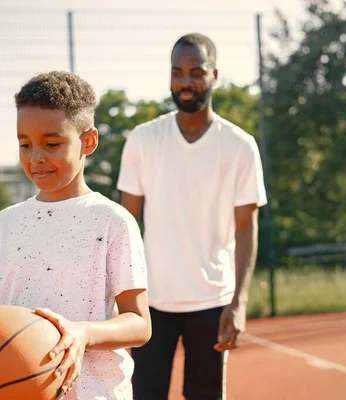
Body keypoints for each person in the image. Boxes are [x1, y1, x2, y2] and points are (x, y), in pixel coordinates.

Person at [0, 71, 151, 400]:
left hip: (95, 393)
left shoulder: (113, 221)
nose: (36, 157)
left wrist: (82, 333)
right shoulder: (1, 226)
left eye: (52, 144)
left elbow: (139, 324)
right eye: (25, 144)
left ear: (88, 141)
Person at [117, 33, 267, 400]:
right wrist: (119, 300)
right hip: (150, 303)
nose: (185, 81)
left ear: (215, 74)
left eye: (196, 72)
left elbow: (246, 227)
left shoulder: (239, 145)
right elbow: (127, 222)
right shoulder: (143, 139)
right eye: (177, 72)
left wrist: (239, 302)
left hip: (212, 301)